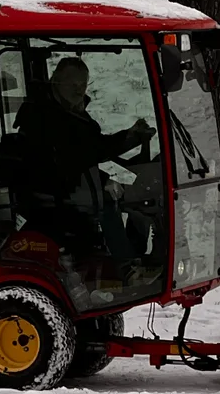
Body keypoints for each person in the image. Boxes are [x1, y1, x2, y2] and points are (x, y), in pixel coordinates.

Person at [13, 57, 155, 273]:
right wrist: (128, 139)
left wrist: (129, 140)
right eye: (73, 83)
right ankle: (124, 265)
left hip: (67, 186)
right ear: (56, 80)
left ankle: (127, 260)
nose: (79, 89)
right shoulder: (44, 115)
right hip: (53, 195)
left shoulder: (68, 110)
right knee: (110, 202)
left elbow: (86, 151)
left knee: (126, 196)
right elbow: (81, 153)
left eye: (83, 84)